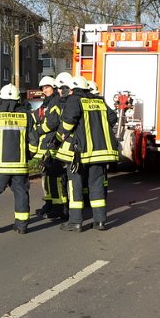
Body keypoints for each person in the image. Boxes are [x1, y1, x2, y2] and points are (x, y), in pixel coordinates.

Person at [52, 75, 118, 232]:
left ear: (73, 89)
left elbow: (68, 122)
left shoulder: (74, 100)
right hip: (101, 152)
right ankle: (100, 221)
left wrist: (58, 138)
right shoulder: (99, 101)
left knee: (75, 185)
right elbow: (112, 117)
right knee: (96, 185)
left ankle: (75, 222)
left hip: (80, 152)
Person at [0, 83, 39, 234]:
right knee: (21, 193)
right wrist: (28, 156)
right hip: (20, 166)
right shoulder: (27, 116)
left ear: (1, 98)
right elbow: (34, 141)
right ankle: (21, 226)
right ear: (18, 99)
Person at [33, 75, 67, 220]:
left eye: (46, 87)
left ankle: (59, 207)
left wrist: (37, 129)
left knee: (55, 178)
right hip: (47, 145)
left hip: (54, 144)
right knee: (46, 178)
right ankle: (50, 204)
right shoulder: (47, 103)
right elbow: (38, 117)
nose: (44, 90)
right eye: (42, 88)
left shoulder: (55, 102)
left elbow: (51, 123)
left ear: (53, 87)